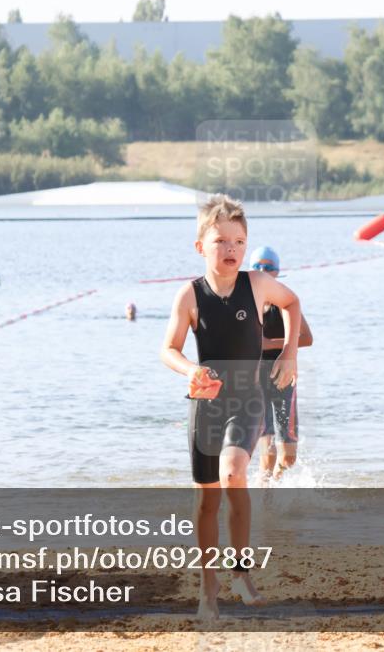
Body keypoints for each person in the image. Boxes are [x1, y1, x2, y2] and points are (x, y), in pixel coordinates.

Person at [160, 194, 301, 619]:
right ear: (200, 246)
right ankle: (209, 585)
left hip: (247, 398)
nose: (232, 249)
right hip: (206, 405)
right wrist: (188, 370)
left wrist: (289, 353)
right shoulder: (189, 295)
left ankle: (240, 571)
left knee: (235, 473)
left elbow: (292, 303)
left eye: (239, 241)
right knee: (207, 500)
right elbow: (168, 348)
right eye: (221, 240)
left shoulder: (256, 285)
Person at [249, 246, 313, 483]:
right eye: (257, 266)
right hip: (255, 382)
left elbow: (307, 338)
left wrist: (271, 344)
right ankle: (264, 502)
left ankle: (274, 481)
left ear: (277, 272)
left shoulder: (285, 301)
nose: (263, 270)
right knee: (268, 453)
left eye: (268, 267)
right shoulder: (246, 303)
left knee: (288, 458)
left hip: (284, 379)